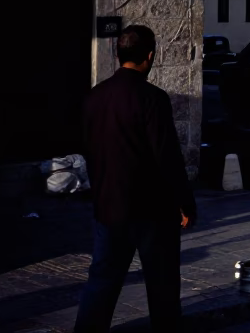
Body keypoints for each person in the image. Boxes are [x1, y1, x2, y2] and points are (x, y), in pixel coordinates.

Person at [75, 25, 195, 333]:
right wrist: (185, 202)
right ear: (150, 57)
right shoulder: (152, 98)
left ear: (117, 55)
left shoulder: (94, 98)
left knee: (102, 281)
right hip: (152, 210)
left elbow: (89, 149)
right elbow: (167, 157)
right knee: (162, 285)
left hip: (109, 205)